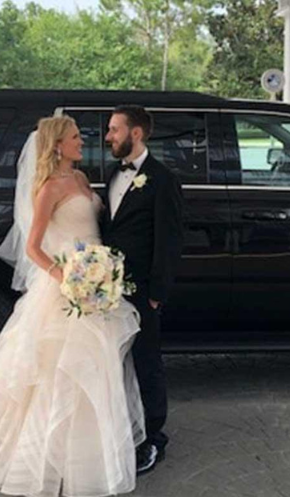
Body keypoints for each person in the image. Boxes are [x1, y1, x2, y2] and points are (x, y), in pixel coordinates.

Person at [0, 115, 145, 497]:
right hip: (65, 287)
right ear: (58, 145)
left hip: (96, 283)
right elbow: (32, 247)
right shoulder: (47, 188)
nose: (83, 142)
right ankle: (43, 462)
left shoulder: (80, 179)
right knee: (56, 373)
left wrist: (99, 273)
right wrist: (65, 277)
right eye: (75, 137)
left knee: (95, 368)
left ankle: (88, 459)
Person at [101, 105, 184, 474]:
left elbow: (169, 240)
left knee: (146, 363)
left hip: (141, 290)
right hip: (106, 288)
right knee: (113, 364)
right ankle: (122, 431)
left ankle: (153, 439)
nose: (108, 137)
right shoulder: (112, 174)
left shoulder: (163, 180)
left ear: (135, 133)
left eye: (114, 129)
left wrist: (156, 294)